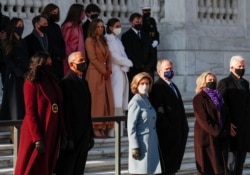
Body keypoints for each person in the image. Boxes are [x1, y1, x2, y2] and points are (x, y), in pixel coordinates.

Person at [14, 51, 66, 175]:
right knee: (32, 166)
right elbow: (30, 112)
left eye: (50, 63)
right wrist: (37, 138)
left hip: (51, 131)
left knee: (46, 166)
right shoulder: (31, 83)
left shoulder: (52, 81)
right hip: (37, 131)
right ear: (39, 64)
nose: (49, 66)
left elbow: (58, 107)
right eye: (46, 63)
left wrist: (63, 132)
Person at [55, 51, 94, 175]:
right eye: (80, 61)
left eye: (84, 60)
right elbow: (65, 113)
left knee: (79, 168)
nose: (84, 63)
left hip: (84, 134)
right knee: (68, 168)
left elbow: (87, 110)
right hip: (73, 135)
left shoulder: (84, 82)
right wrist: (68, 136)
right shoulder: (66, 83)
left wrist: (91, 134)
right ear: (72, 65)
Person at [149, 58, 189, 175]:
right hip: (167, 135)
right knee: (166, 167)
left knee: (173, 167)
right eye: (167, 69)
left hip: (178, 133)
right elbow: (158, 110)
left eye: (171, 68)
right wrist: (168, 126)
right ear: (159, 71)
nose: (170, 71)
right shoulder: (157, 87)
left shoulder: (173, 86)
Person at [217, 55, 250, 175]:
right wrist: (227, 124)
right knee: (231, 166)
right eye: (239, 66)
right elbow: (219, 107)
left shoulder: (246, 83)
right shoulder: (224, 83)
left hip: (244, 132)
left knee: (239, 166)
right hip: (232, 132)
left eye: (243, 66)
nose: (242, 68)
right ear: (231, 68)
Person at [193, 71, 229, 175]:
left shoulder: (219, 97)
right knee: (208, 169)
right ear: (203, 82)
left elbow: (226, 114)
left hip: (219, 138)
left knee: (220, 169)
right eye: (209, 80)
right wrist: (218, 132)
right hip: (207, 139)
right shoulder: (199, 98)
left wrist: (225, 130)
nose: (212, 82)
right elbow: (203, 120)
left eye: (214, 80)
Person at [0, 17, 29, 143]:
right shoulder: (7, 42)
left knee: (22, 108)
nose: (21, 27)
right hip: (13, 80)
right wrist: (19, 73)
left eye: (22, 25)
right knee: (14, 108)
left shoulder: (24, 42)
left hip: (24, 78)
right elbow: (8, 61)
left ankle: (21, 135)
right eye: (18, 25)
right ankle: (14, 135)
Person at [127, 72, 162, 175]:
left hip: (151, 141)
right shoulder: (135, 102)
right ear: (136, 85)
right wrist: (134, 146)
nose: (145, 86)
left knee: (150, 171)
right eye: (142, 83)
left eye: (147, 83)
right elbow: (131, 127)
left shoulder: (146, 99)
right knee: (140, 171)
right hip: (141, 144)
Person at [85, 18, 114, 138]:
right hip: (95, 73)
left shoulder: (104, 40)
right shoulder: (89, 40)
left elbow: (109, 57)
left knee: (106, 101)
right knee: (96, 101)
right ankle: (95, 126)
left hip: (105, 73)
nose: (101, 29)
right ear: (93, 28)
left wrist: (109, 69)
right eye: (98, 27)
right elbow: (93, 59)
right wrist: (104, 71)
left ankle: (103, 125)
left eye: (102, 26)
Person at [105, 17, 133, 136]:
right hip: (114, 73)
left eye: (119, 26)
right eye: (117, 26)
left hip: (121, 72)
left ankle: (119, 131)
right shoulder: (107, 39)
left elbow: (124, 55)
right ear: (110, 27)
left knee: (121, 101)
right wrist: (128, 63)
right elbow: (113, 56)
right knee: (115, 100)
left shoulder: (118, 40)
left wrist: (126, 66)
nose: (119, 28)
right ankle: (113, 131)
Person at [121, 12, 156, 99]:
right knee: (135, 93)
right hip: (134, 70)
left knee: (149, 93)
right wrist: (139, 66)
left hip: (147, 70)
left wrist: (148, 66)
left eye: (140, 22)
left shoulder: (146, 35)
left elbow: (152, 52)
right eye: (137, 22)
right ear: (131, 23)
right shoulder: (126, 36)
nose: (139, 24)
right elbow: (128, 53)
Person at [41, 3, 66, 80]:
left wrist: (61, 54)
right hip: (50, 59)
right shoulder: (45, 26)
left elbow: (62, 42)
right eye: (53, 12)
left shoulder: (57, 27)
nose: (55, 14)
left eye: (56, 13)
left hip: (59, 60)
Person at [61, 3, 85, 75]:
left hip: (79, 58)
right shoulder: (68, 26)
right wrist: (71, 58)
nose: (84, 13)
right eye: (82, 11)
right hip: (71, 58)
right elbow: (65, 42)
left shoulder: (79, 25)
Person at [0, 3, 10, 88]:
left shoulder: (6, 20)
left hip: (3, 55)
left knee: (6, 83)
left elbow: (9, 34)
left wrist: (5, 36)